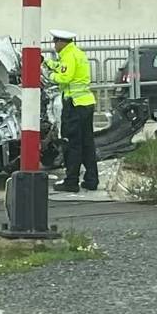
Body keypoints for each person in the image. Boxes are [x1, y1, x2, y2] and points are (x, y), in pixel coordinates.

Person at [44, 29, 98, 193]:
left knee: (71, 144)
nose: (54, 45)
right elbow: (63, 68)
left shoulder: (68, 55)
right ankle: (91, 179)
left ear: (61, 42)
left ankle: (71, 181)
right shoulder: (77, 53)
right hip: (86, 103)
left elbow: (64, 77)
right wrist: (47, 63)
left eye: (55, 42)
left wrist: (46, 74)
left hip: (74, 105)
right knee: (87, 143)